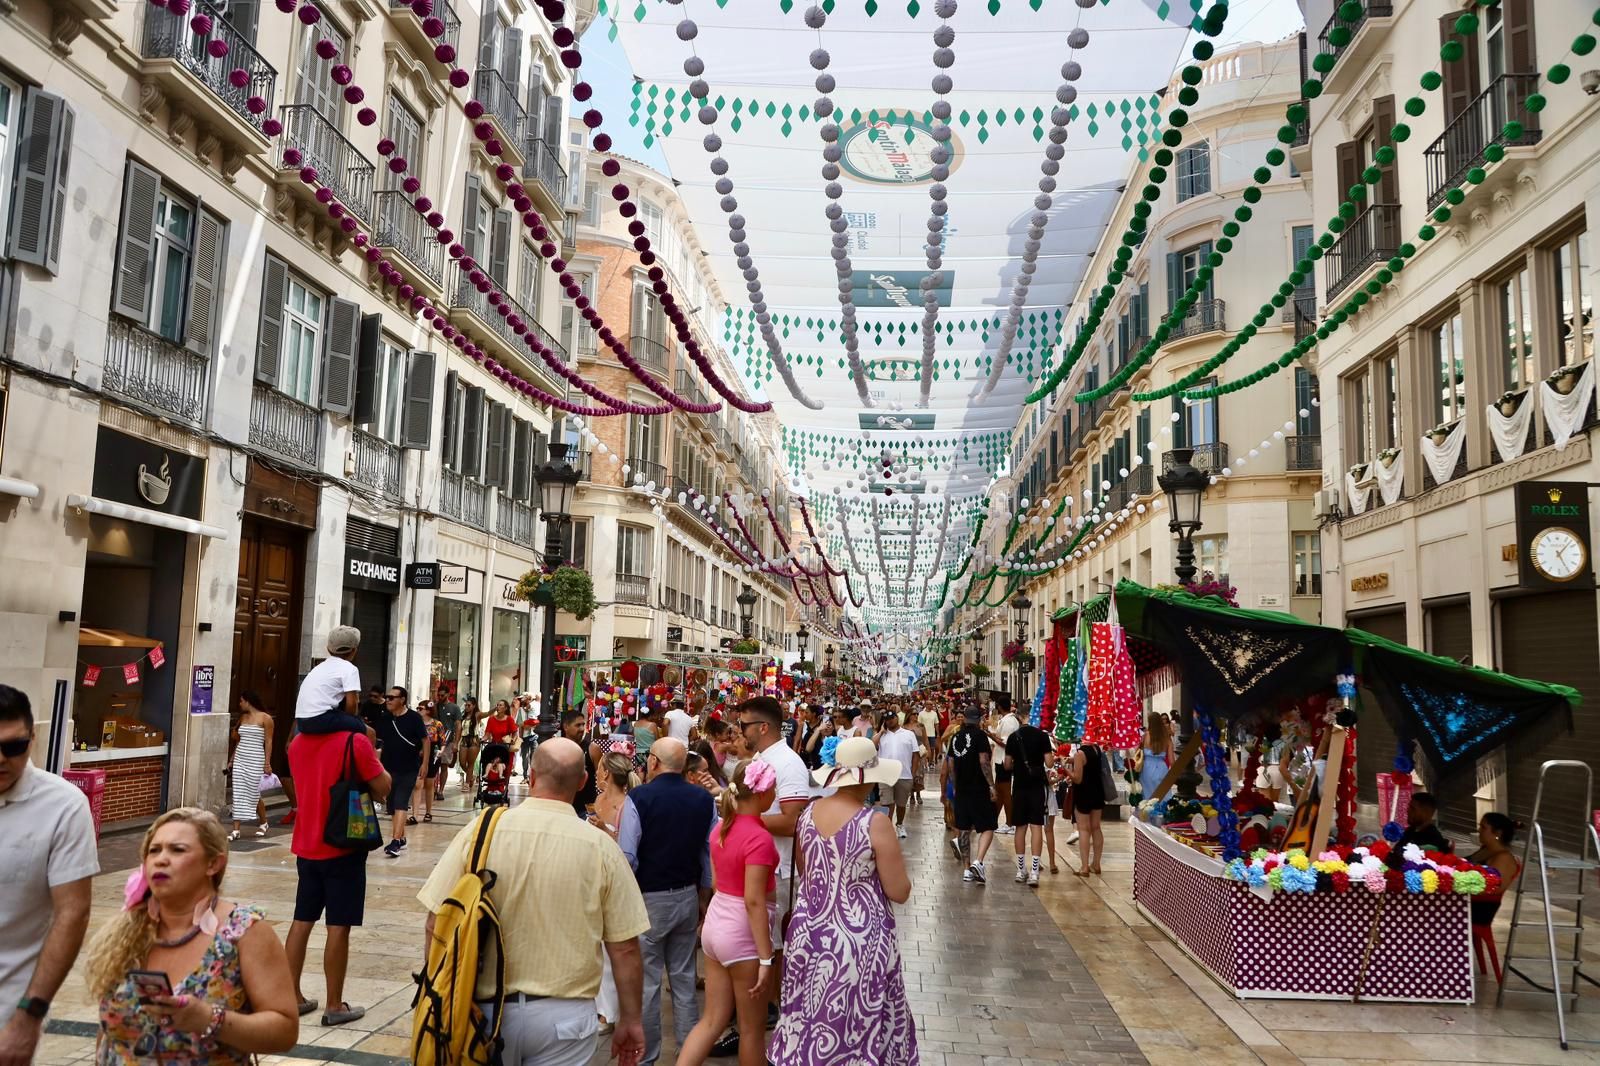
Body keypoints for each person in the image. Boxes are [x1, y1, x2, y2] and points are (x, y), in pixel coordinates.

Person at [417, 739, 650, 1066]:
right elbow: (625, 948)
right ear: (582, 782)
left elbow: (435, 921)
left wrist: (439, 996)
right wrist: (631, 1019)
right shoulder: (602, 848)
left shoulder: (482, 831)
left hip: (482, 1011)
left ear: (533, 776)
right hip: (565, 1019)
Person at [84, 808, 298, 1062]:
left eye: (177, 850)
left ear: (213, 864)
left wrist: (210, 1020)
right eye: (154, 850)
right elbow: (108, 1033)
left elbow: (285, 1030)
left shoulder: (245, 933)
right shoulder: (129, 931)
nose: (161, 859)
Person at [769, 737, 915, 1066]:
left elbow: (808, 873)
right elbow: (898, 890)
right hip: (858, 940)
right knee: (855, 1024)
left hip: (809, 934)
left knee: (806, 1018)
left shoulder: (806, 816)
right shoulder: (874, 822)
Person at [0, 685, 97, 1065]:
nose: (1, 759)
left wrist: (29, 1016)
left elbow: (72, 913)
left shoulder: (63, 806)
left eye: (14, 747)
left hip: (8, 1005)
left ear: (32, 738)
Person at [284, 702, 391, 1026]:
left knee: (302, 920)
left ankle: (291, 996)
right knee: (338, 925)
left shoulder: (297, 742)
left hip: (307, 844)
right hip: (343, 845)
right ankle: (334, 1004)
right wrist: (373, 751)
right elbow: (383, 788)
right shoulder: (354, 740)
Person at [616, 737, 716, 1066]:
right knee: (684, 978)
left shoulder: (639, 797)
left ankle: (647, 1057)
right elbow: (708, 851)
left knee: (646, 983)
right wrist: (704, 892)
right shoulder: (703, 799)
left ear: (655, 762)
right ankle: (689, 1052)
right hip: (686, 894)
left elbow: (628, 856)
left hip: (648, 898)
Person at [676, 761, 778, 1066]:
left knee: (711, 1020)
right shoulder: (759, 838)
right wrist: (766, 958)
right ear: (762, 794)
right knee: (751, 1030)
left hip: (717, 927)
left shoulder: (723, 828)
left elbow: (720, 882)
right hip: (742, 935)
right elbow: (753, 901)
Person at [372, 687, 429, 857]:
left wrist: (425, 763)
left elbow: (425, 740)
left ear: (402, 699)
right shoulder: (384, 718)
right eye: (387, 697)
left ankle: (395, 841)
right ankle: (401, 837)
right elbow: (377, 740)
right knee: (391, 807)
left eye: (392, 697)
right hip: (388, 768)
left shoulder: (414, 718)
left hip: (409, 767)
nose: (388, 700)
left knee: (401, 802)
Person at [948, 705, 998, 883]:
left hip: (961, 788)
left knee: (963, 829)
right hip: (979, 788)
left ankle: (966, 869)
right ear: (978, 719)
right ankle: (979, 861)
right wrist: (991, 786)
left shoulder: (955, 737)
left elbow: (951, 763)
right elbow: (984, 761)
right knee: (987, 826)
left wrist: (954, 784)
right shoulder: (980, 736)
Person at [1004, 711, 1052, 886]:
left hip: (1020, 786)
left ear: (1020, 718)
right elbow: (1050, 763)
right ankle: (1034, 872)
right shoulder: (1042, 736)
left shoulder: (1013, 737)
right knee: (1036, 826)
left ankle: (1020, 869)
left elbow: (1007, 764)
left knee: (1020, 827)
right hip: (1037, 786)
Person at [228, 692, 274, 840]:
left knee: (254, 792)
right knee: (238, 791)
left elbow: (268, 742)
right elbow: (238, 740)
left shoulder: (265, 718)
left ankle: (264, 822)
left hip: (256, 759)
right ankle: (236, 829)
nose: (240, 704)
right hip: (241, 758)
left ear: (248, 701)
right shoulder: (242, 718)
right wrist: (231, 760)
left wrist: (267, 762)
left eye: (241, 701)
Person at [1466, 812, 1522, 927]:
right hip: (1469, 898)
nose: (1479, 830)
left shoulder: (1504, 858)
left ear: (1498, 833)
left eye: (1483, 827)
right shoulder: (1485, 850)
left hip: (1480, 907)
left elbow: (1495, 888)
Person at [875, 713, 921, 838]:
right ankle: (887, 826)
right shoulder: (882, 735)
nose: (890, 721)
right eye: (887, 719)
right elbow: (872, 744)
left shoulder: (909, 734)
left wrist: (913, 772)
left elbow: (915, 755)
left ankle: (900, 824)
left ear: (897, 719)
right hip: (885, 775)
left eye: (892, 718)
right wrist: (880, 732)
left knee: (901, 804)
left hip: (904, 774)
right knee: (886, 802)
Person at [1070, 741, 1109, 876]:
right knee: (1096, 827)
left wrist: (1067, 769)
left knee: (1084, 829)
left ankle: (1084, 867)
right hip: (1097, 792)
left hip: (1083, 794)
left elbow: (1077, 779)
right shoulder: (1096, 749)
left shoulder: (1079, 753)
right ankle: (1096, 864)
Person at [987, 693, 1020, 836]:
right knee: (1000, 791)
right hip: (1000, 760)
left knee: (1005, 792)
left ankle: (1010, 823)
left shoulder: (1009, 722)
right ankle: (993, 820)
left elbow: (1006, 743)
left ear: (1000, 707)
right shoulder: (1006, 720)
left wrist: (990, 735)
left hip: (1004, 760)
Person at [1389, 792, 1453, 862]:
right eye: (1409, 807)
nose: (1408, 810)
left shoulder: (1433, 839)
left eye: (1413, 808)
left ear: (1426, 812)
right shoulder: (1410, 831)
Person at [564, 709, 601, 817]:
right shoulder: (559, 747)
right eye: (577, 725)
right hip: (563, 808)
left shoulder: (592, 749)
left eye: (583, 725)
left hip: (585, 811)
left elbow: (602, 778)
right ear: (566, 726)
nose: (581, 729)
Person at [415, 700, 446, 823]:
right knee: (418, 784)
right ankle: (415, 813)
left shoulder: (437, 724)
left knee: (429, 783)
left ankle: (428, 812)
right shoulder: (416, 723)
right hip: (418, 754)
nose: (418, 710)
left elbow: (442, 740)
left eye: (420, 708)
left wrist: (441, 751)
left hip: (433, 754)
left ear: (428, 710)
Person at [1139, 711, 1175, 805]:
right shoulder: (1167, 738)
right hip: (1162, 768)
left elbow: (1137, 753)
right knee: (1163, 796)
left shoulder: (1145, 735)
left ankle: (1147, 816)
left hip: (1146, 769)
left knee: (1147, 797)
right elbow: (1171, 761)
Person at [434, 686, 463, 797]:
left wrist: (456, 742)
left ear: (447, 694)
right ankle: (433, 788)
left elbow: (458, 725)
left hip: (448, 740)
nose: (440, 697)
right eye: (439, 695)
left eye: (442, 695)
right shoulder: (435, 707)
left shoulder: (454, 708)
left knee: (444, 765)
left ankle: (441, 790)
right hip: (435, 740)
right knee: (434, 765)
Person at [481, 698, 517, 771]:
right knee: (486, 754)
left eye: (500, 705)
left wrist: (513, 740)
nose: (498, 707)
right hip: (494, 745)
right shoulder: (491, 719)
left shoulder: (509, 719)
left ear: (505, 708)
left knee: (504, 758)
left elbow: (515, 733)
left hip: (505, 745)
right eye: (497, 705)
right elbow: (487, 734)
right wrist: (482, 739)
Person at [457, 696, 483, 791]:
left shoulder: (477, 715)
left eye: (469, 705)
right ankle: (471, 776)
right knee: (462, 762)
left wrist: (495, 709)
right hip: (464, 739)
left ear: (473, 706)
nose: (467, 707)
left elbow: (487, 714)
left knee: (470, 763)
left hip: (474, 740)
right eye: (466, 705)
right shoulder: (463, 715)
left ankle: (467, 783)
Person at [517, 695, 542, 780]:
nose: (523, 700)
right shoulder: (521, 710)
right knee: (525, 756)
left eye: (525, 698)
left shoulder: (536, 706)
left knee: (533, 756)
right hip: (524, 736)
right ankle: (525, 776)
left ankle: (532, 776)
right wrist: (520, 738)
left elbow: (539, 722)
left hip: (534, 735)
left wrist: (531, 726)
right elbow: (520, 725)